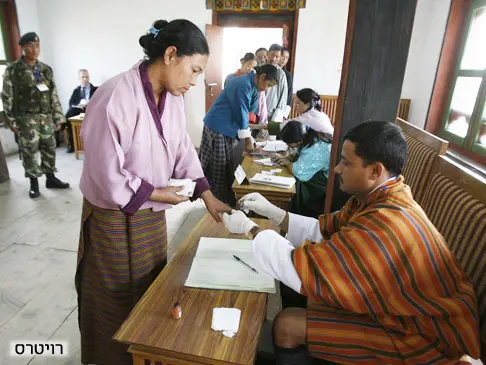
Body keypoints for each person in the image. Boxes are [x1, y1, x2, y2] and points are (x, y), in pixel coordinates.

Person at [223, 121, 480, 364]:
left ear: (375, 170)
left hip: (426, 340)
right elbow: (323, 231)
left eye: (346, 163)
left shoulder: (384, 224)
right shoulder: (380, 195)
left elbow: (303, 271)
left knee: (287, 325)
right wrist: (276, 213)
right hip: (403, 313)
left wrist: (250, 228)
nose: (336, 169)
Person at [76, 19, 231, 365]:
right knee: (112, 301)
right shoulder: (115, 96)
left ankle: (146, 354)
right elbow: (105, 173)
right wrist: (161, 194)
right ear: (171, 55)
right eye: (194, 70)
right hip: (113, 219)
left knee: (150, 290)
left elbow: (181, 149)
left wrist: (206, 194)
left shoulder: (173, 97)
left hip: (149, 217)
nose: (195, 81)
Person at [1, 32, 70, 198]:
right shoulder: (13, 70)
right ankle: (34, 183)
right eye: (30, 45)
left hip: (45, 116)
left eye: (37, 45)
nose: (34, 49)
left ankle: (50, 178)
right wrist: (11, 122)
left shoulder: (45, 69)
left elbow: (53, 94)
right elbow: (7, 96)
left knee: (49, 148)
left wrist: (58, 116)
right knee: (29, 151)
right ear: (23, 47)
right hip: (25, 118)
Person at [199, 64, 279, 206]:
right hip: (218, 127)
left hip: (229, 128)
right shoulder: (242, 84)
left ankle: (225, 199)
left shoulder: (253, 87)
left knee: (228, 165)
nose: (266, 89)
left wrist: (251, 139)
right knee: (219, 167)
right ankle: (217, 203)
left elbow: (249, 116)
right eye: (268, 85)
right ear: (262, 77)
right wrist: (248, 141)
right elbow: (242, 114)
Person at [277, 90, 333, 218]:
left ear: (299, 141)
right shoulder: (309, 134)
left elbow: (299, 172)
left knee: (297, 184)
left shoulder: (315, 147)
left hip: (325, 184)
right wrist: (288, 157)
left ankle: (296, 215)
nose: (290, 148)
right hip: (320, 174)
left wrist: (287, 163)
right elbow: (299, 154)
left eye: (290, 145)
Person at [64, 69, 98, 152]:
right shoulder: (76, 90)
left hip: (91, 111)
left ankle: (62, 123)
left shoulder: (95, 89)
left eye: (87, 77)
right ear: (79, 78)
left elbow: (99, 102)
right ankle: (72, 145)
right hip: (78, 111)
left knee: (70, 114)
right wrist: (79, 105)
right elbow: (71, 103)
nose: (85, 79)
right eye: (83, 77)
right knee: (71, 113)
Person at [265, 44, 288, 132]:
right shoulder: (258, 69)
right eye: (272, 55)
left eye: (277, 56)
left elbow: (282, 100)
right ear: (267, 54)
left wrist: (274, 122)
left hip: (272, 115)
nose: (274, 59)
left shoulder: (281, 74)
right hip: (256, 115)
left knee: (269, 142)